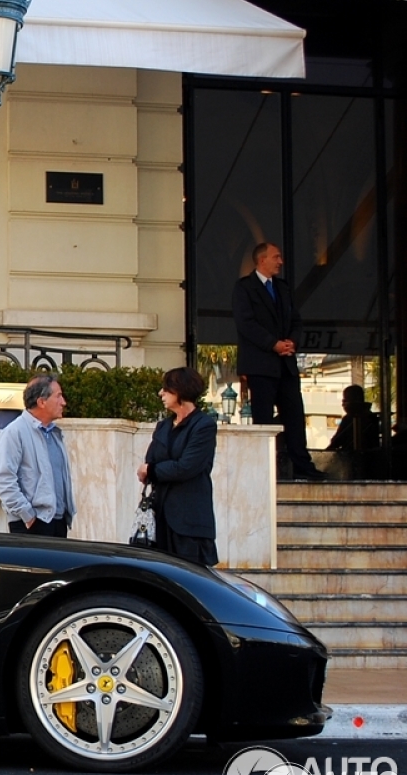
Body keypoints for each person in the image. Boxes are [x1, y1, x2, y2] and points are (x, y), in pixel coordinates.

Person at [232, 241, 324, 479]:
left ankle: (303, 467)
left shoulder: (283, 288)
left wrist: (291, 342)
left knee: (294, 416)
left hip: (286, 365)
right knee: (263, 420)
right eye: (276, 257)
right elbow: (246, 324)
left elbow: (296, 320)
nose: (280, 262)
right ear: (262, 260)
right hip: (260, 366)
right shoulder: (245, 288)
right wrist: (272, 344)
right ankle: (265, 469)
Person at [136, 367, 219, 566]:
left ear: (180, 390)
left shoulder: (203, 425)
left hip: (189, 523)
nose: (160, 393)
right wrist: (154, 469)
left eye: (166, 389)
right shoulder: (163, 426)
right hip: (159, 518)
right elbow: (151, 459)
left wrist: (153, 470)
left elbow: (186, 467)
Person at [0, 374, 75, 537]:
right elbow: (4, 481)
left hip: (57, 523)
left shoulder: (54, 433)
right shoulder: (15, 432)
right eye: (58, 396)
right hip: (31, 525)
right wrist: (28, 515)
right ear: (41, 402)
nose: (63, 402)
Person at [327, 384, 380, 451]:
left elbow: (336, 442)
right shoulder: (371, 416)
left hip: (352, 458)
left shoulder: (350, 418)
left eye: (345, 401)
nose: (343, 404)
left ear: (355, 400)